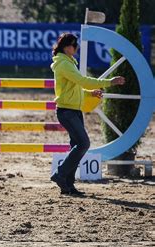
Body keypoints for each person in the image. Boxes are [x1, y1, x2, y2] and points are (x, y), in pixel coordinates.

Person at [50, 33, 125, 195]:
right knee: (84, 144)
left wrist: (90, 93)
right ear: (66, 47)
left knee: (76, 146)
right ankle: (60, 174)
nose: (76, 48)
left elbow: (75, 88)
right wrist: (109, 82)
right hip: (67, 112)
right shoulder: (64, 64)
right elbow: (83, 80)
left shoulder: (68, 62)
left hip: (74, 110)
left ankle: (67, 185)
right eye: (74, 45)